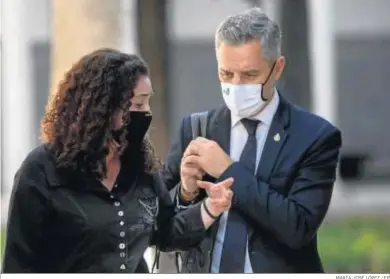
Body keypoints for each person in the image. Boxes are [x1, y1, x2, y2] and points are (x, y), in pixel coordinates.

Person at [2, 48, 234, 273]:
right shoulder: (41, 170)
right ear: (104, 108)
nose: (147, 113)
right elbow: (18, 263)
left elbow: (165, 232)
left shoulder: (141, 167)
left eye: (148, 103)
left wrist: (210, 207)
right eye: (139, 104)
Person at [161, 8, 342, 273]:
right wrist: (186, 193)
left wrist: (227, 170)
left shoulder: (315, 137)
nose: (236, 86)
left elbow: (298, 228)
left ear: (277, 68)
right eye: (226, 74)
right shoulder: (196, 128)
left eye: (249, 75)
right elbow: (160, 226)